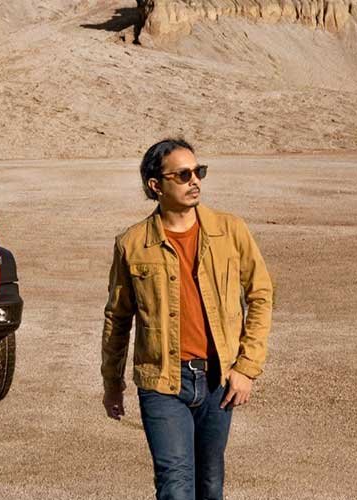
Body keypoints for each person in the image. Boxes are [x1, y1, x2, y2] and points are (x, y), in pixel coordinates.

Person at [101, 138, 274, 500]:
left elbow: (260, 293)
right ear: (155, 185)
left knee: (209, 484)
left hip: (217, 378)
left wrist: (247, 367)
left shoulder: (230, 230)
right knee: (175, 485)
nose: (194, 180)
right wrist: (112, 382)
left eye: (198, 171)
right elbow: (118, 317)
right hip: (162, 381)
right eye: (182, 174)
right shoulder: (132, 243)